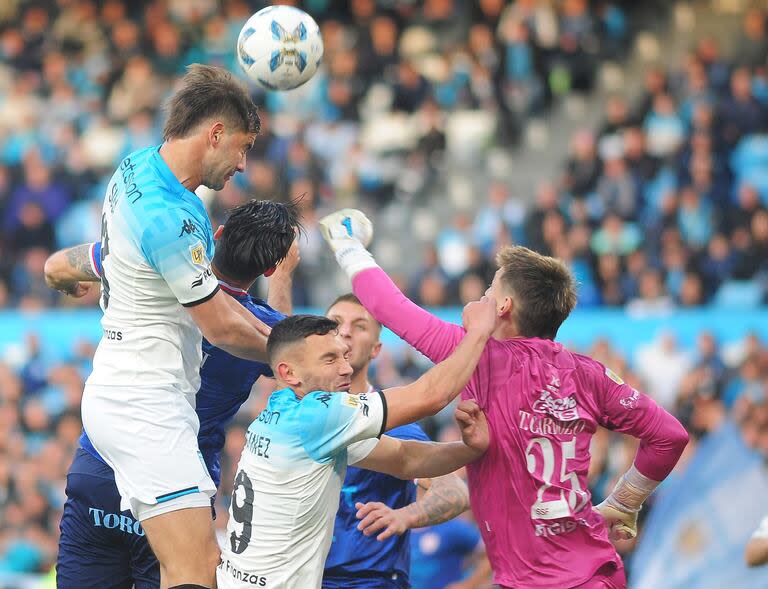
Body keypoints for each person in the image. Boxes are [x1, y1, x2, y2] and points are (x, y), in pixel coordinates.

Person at [319, 209, 690, 589]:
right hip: (593, 573)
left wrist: (348, 246)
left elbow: (389, 307)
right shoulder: (590, 374)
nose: (480, 297)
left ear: (503, 308)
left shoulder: (477, 356)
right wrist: (625, 501)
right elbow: (669, 435)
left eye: (488, 291)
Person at [44, 199, 301, 588]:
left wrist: (67, 280)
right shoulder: (259, 331)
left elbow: (57, 265)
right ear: (267, 267)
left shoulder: (151, 268)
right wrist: (282, 278)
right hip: (179, 492)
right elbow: (291, 358)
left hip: (100, 470)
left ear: (215, 236)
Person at [216, 299, 497, 589]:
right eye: (330, 359)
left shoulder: (284, 406)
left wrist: (470, 449)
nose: (345, 368)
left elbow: (404, 459)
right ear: (289, 373)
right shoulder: (320, 417)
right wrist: (479, 332)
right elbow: (432, 395)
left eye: (344, 356)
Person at [323, 294, 472, 589]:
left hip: (369, 582)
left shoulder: (394, 425)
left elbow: (456, 492)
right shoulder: (300, 415)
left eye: (360, 326)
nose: (346, 331)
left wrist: (405, 516)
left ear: (377, 349)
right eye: (335, 323)